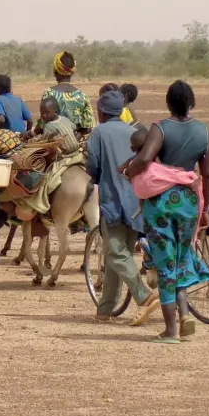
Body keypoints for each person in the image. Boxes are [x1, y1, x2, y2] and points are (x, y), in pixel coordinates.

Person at [125, 80, 209, 344]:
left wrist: (129, 172)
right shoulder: (204, 132)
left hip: (161, 202)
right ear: (192, 103)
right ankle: (185, 315)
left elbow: (143, 158)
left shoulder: (160, 128)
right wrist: (206, 207)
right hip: (189, 200)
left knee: (165, 262)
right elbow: (207, 175)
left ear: (168, 103)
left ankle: (170, 330)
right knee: (182, 256)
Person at [86, 90, 160, 325]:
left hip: (113, 202)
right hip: (137, 201)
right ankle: (105, 309)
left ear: (101, 113)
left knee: (117, 255)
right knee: (118, 255)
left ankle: (144, 295)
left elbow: (93, 166)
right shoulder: (134, 132)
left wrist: (99, 179)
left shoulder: (99, 133)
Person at [40, 52, 94, 134]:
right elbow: (88, 127)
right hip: (77, 143)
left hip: (54, 143)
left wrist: (29, 134)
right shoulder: (82, 96)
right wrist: (74, 140)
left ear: (55, 70)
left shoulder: (49, 93)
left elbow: (43, 124)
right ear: (72, 72)